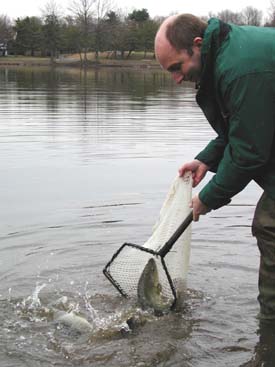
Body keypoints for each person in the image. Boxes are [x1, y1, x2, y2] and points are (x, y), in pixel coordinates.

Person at [154, 14, 275, 320]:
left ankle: (270, 333)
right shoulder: (227, 54)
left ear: (197, 45)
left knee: (270, 224)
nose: (177, 79)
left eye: (176, 68)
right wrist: (207, 159)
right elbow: (243, 128)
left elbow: (249, 152)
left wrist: (207, 199)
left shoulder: (239, 69)